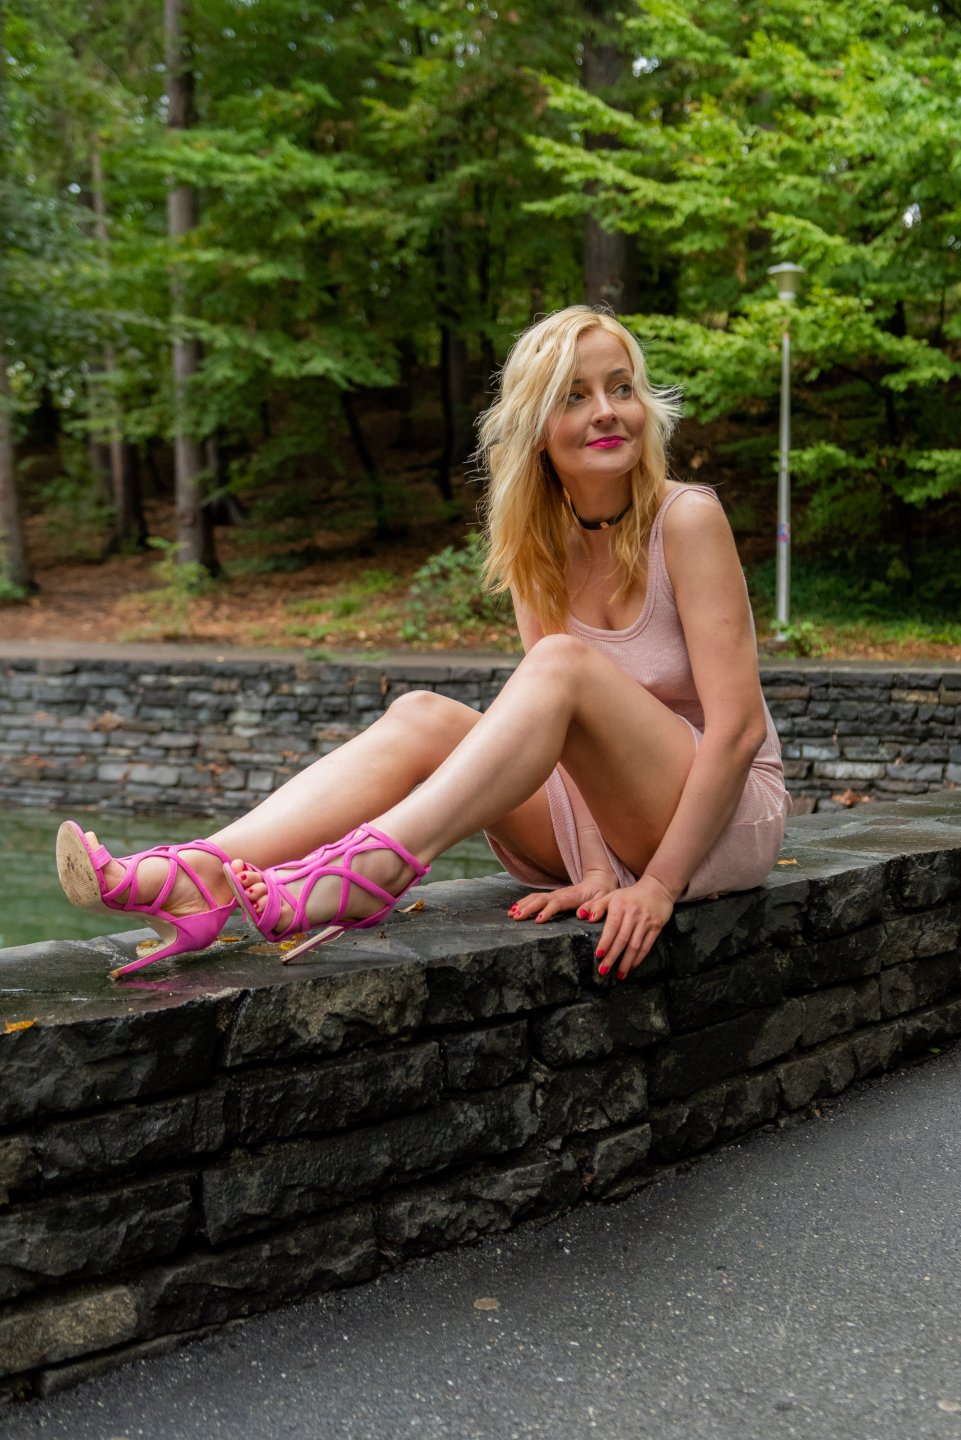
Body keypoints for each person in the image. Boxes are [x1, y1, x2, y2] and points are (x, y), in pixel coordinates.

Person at [56, 304, 789, 983]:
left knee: (559, 664)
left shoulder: (686, 519)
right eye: (573, 396)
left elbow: (737, 731)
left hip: (718, 822)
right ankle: (199, 876)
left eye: (620, 387)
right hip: (600, 830)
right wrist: (597, 870)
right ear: (535, 427)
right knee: (420, 715)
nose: (606, 410)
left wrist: (657, 884)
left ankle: (369, 869)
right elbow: (565, 748)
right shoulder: (537, 545)